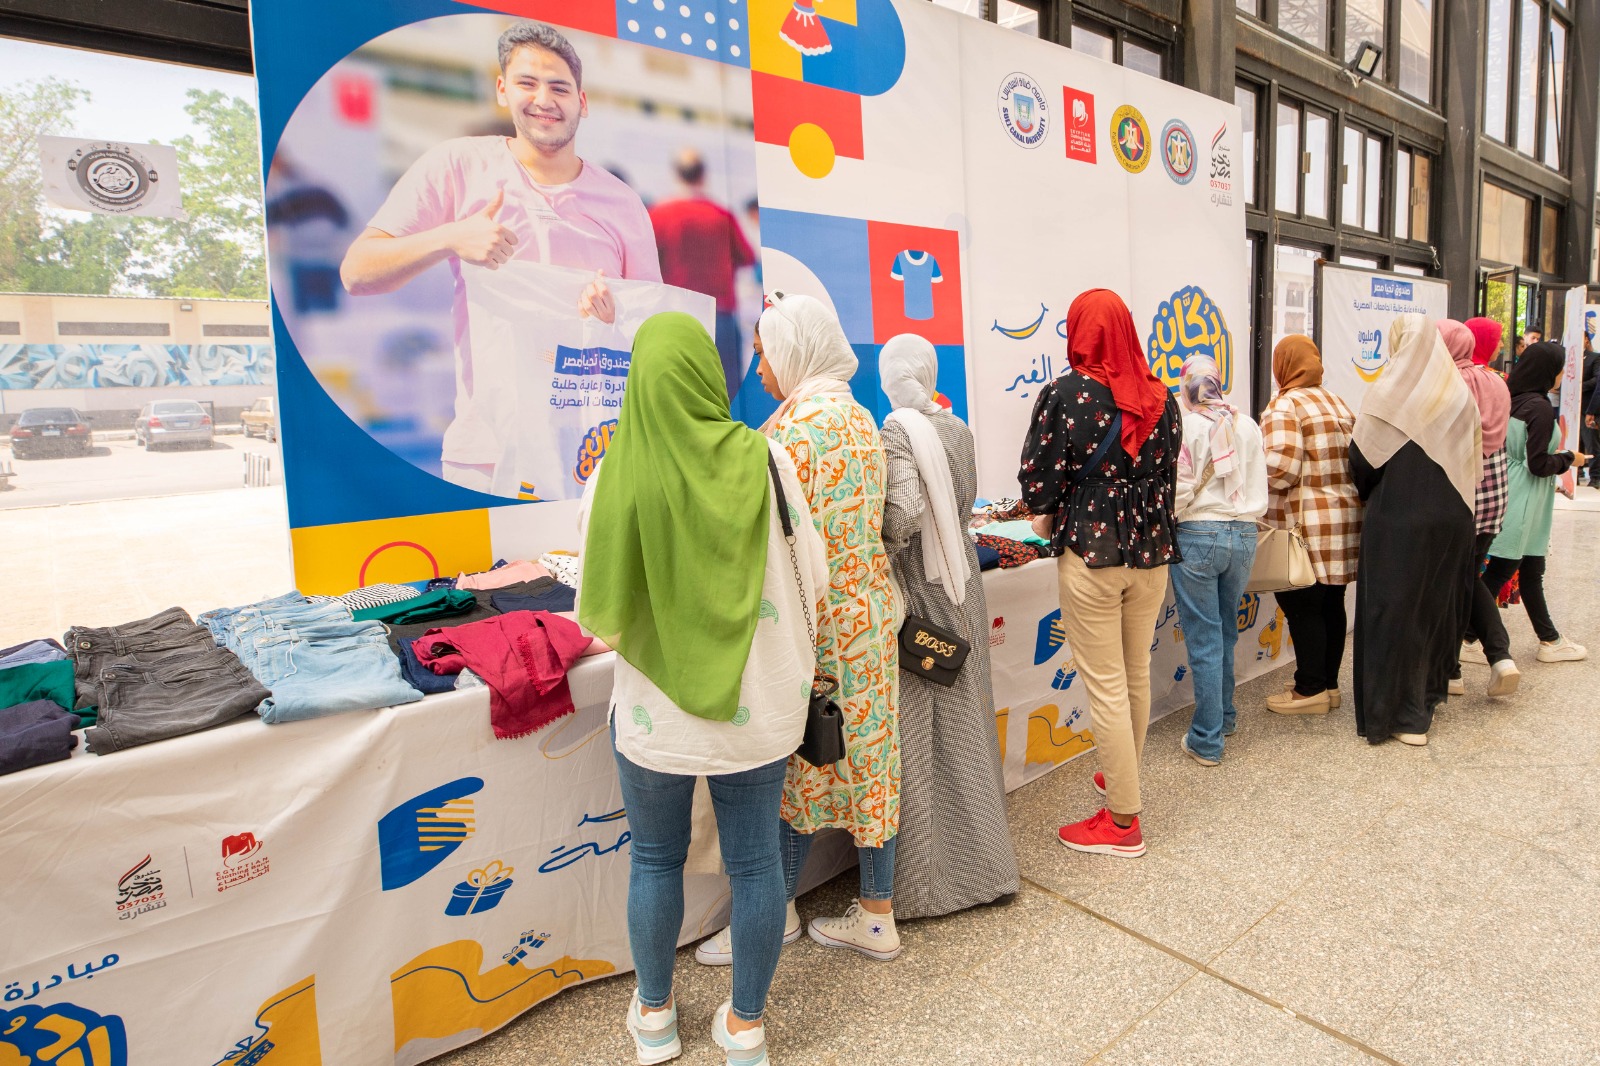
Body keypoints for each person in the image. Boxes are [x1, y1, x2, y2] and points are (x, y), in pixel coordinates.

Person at [577, 313, 827, 1066]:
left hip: (655, 710)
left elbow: (597, 594)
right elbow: (813, 573)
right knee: (755, 865)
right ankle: (745, 1028)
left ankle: (655, 1018)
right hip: (757, 704)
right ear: (707, 377)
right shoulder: (767, 457)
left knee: (655, 859)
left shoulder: (613, 471)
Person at [340, 21, 662, 491]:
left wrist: (616, 315)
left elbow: (654, 327)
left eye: (559, 88)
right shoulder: (457, 166)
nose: (544, 99)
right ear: (502, 90)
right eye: (527, 83)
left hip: (599, 447)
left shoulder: (622, 202)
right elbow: (357, 271)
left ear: (582, 101)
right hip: (488, 451)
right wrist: (450, 237)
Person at [697, 292, 903, 963]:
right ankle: (877, 915)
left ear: (794, 350)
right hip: (870, 620)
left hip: (815, 626)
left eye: (764, 354)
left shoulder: (791, 432)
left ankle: (775, 912)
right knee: (871, 761)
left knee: (799, 764)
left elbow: (760, 541)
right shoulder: (861, 417)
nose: (758, 370)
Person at [1019, 289, 1181, 859]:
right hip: (1152, 553)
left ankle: (1122, 821)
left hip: (1092, 553)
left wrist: (1051, 510)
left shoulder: (1065, 394)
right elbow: (1169, 475)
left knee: (1107, 685)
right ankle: (1121, 774)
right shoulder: (1162, 395)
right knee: (1135, 672)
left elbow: (1038, 478)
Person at [875, 333, 1020, 917]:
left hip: (921, 589)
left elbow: (902, 517)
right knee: (968, 724)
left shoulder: (897, 431)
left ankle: (929, 886)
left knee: (920, 734)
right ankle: (989, 864)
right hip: (962, 582)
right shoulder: (956, 428)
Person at [1349, 314, 1481, 746]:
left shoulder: (1389, 392)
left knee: (1389, 611)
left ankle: (1392, 714)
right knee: (1434, 608)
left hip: (1399, 519)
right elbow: (1473, 462)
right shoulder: (1459, 396)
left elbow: (1362, 461)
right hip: (1453, 518)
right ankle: (1421, 705)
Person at [1169, 355, 1268, 766]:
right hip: (1244, 534)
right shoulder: (1247, 424)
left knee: (1205, 638)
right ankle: (1224, 717)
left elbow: (1178, 488)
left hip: (1198, 534)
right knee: (1226, 631)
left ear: (1187, 386)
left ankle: (1207, 740)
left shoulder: (1186, 425)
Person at [1258, 337, 1363, 715]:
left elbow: (1281, 470)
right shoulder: (1336, 402)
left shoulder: (1285, 405)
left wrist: (1247, 476)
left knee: (1301, 605)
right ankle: (1327, 684)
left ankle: (1310, 690)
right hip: (1343, 520)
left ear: (1283, 365)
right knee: (1332, 602)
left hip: (1304, 525)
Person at [1484, 341, 1591, 663]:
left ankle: (1549, 638)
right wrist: (1570, 458)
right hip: (1526, 496)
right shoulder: (1540, 408)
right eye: (1560, 370)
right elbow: (1539, 464)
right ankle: (1466, 637)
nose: (1561, 376)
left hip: (1513, 488)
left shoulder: (1511, 397)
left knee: (1529, 568)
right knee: (1502, 570)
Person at [648, 149, 758, 399]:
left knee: (677, 393)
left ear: (676, 175)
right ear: (703, 175)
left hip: (676, 314)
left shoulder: (659, 215)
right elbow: (747, 256)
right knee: (724, 394)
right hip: (720, 316)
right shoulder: (721, 216)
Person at [1448, 319, 1519, 697]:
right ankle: (1490, 660)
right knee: (1466, 579)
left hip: (1462, 497)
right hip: (1495, 499)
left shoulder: (1451, 382)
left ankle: (1459, 668)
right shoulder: (1497, 382)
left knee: (1454, 584)